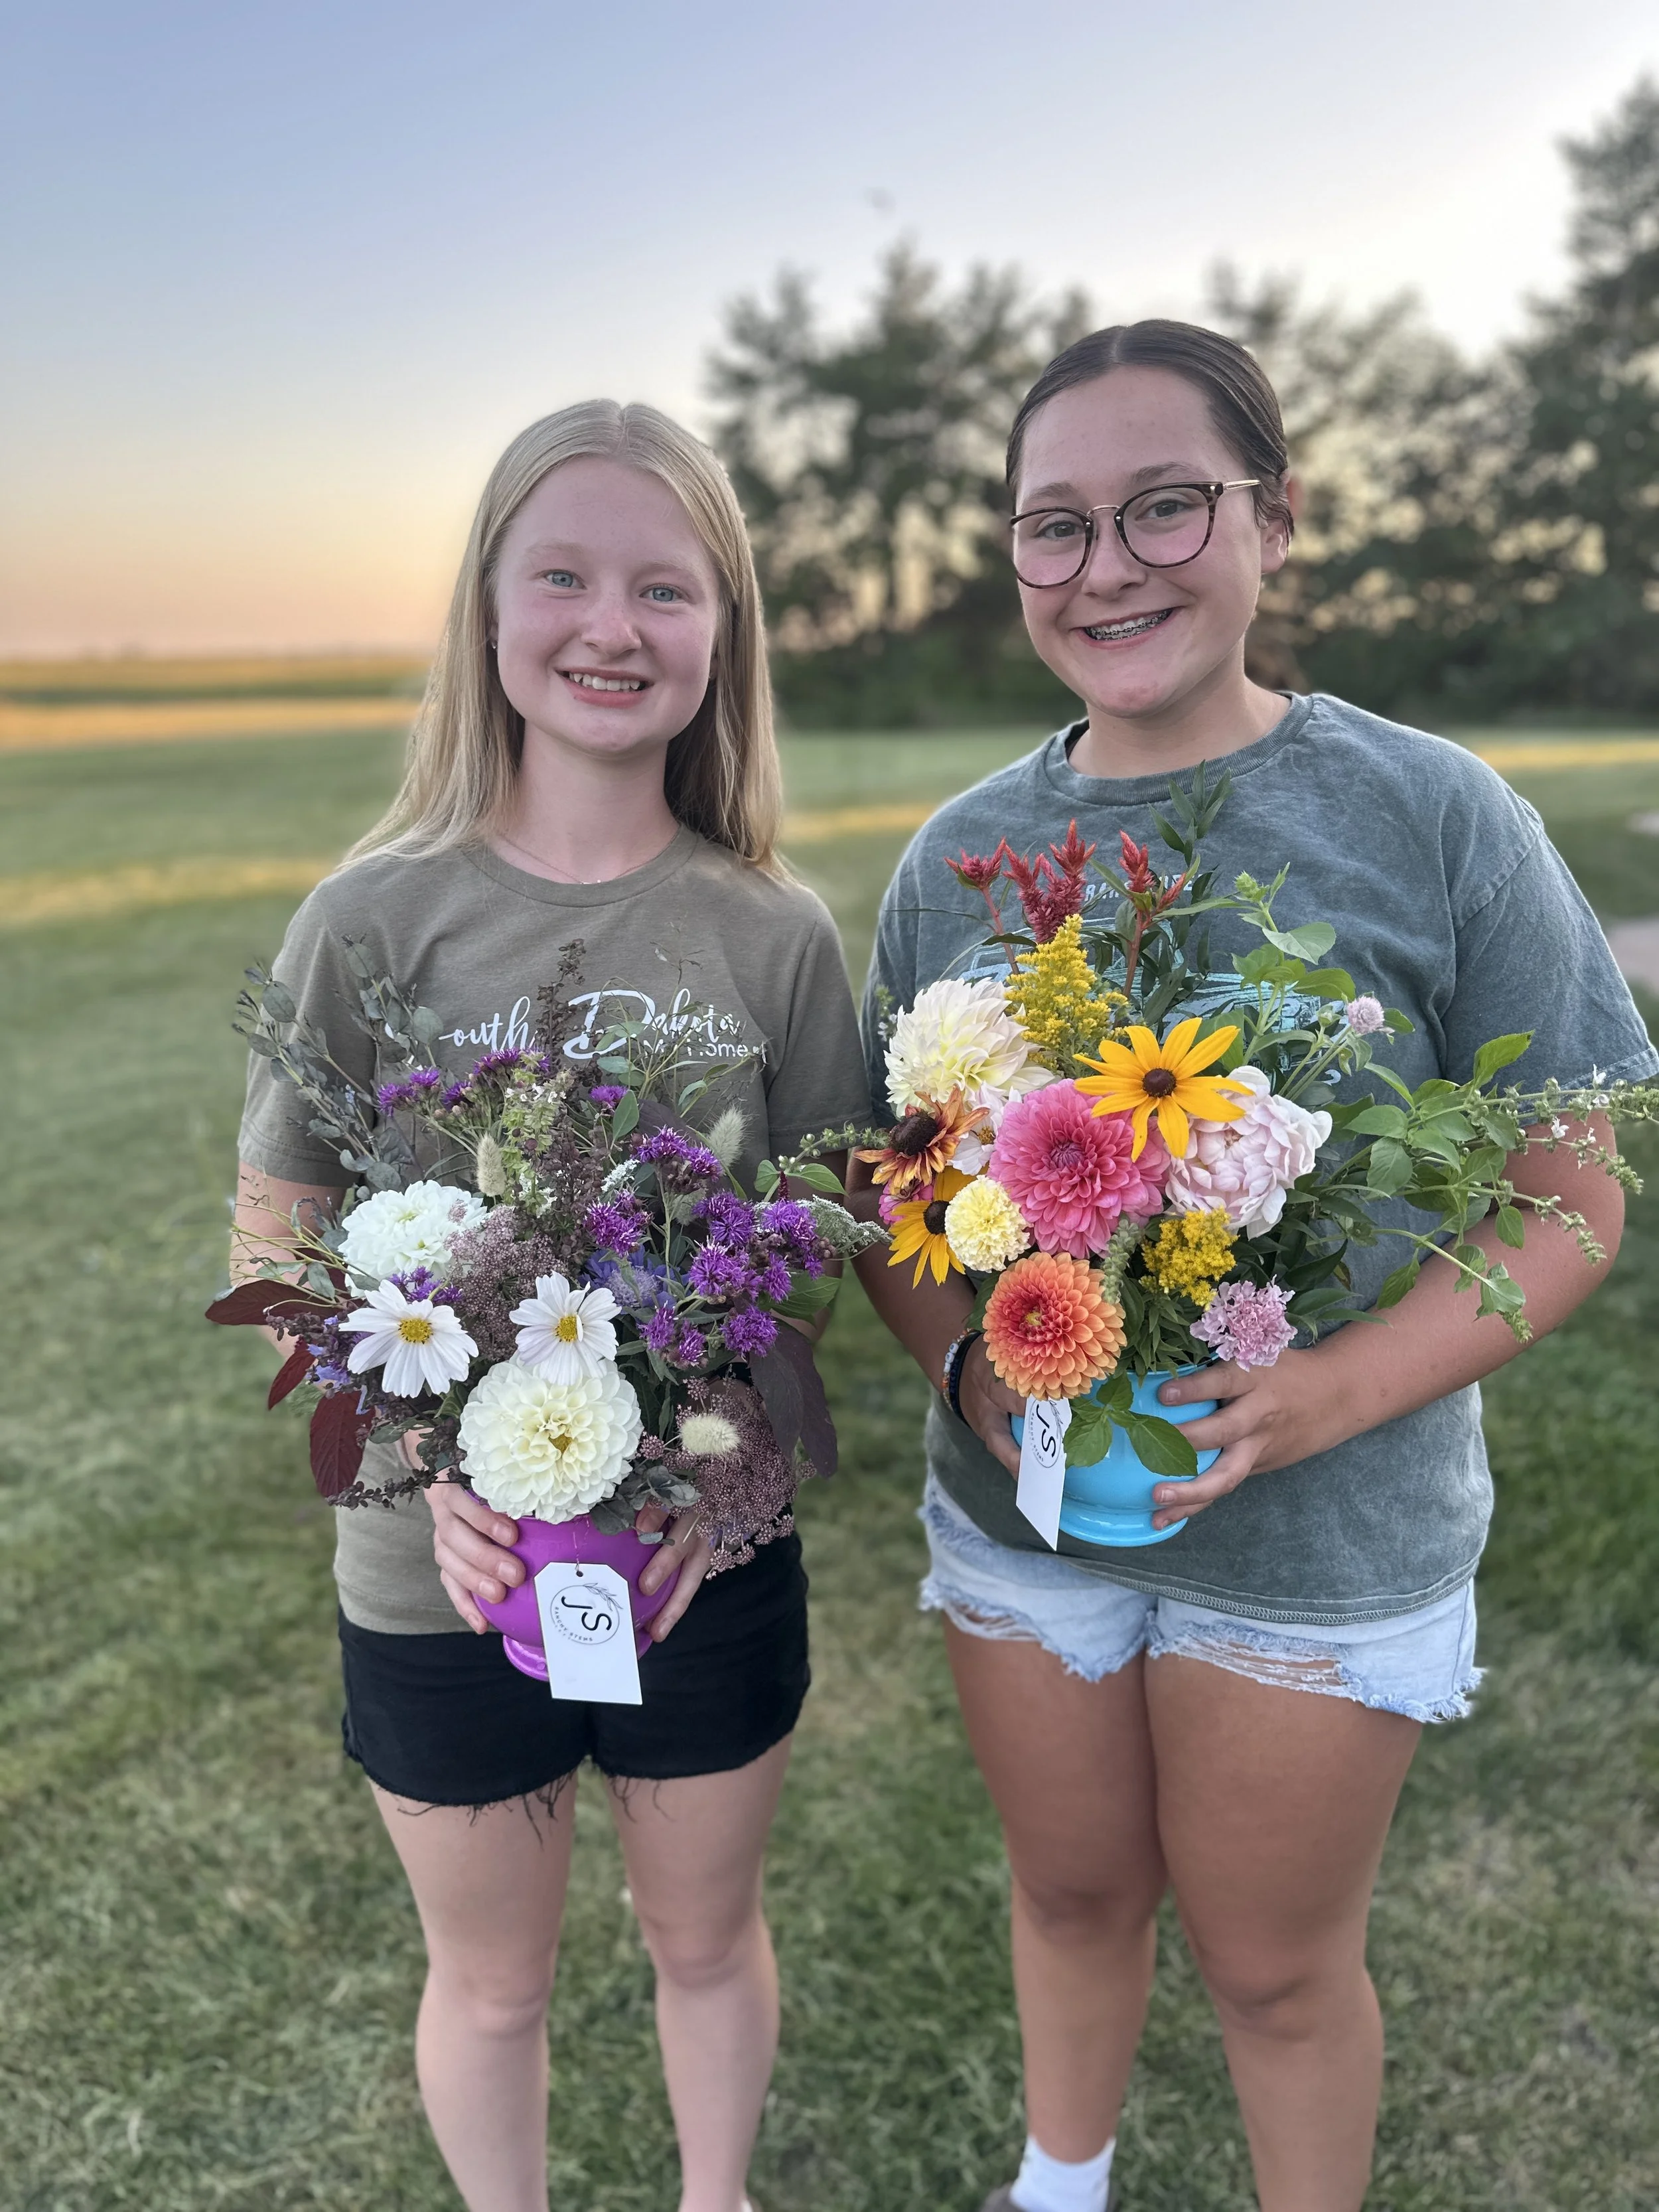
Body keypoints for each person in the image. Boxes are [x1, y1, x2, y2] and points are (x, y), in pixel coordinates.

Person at [853, 322, 1656, 2212]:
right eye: (1054, 525)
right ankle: (1061, 2183)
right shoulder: (957, 858)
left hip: (1323, 1538)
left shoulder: (1428, 812)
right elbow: (887, 1200)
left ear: (1272, 519)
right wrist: (972, 1376)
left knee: (1276, 1967)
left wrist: (1325, 1394)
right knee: (1064, 1891)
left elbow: (1570, 1187)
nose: (1106, 564)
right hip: (1026, 1528)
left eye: (1163, 505)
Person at [232, 400, 871, 2212]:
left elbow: (812, 1233)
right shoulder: (375, 915)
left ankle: (711, 2193)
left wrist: (724, 1478)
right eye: (565, 574)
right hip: (442, 1578)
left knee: (702, 1939)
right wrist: (417, 1462)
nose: (614, 622)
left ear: (720, 633)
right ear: (488, 611)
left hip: (699, 1564)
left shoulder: (772, 930)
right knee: (494, 1976)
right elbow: (284, 1227)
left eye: (666, 586)